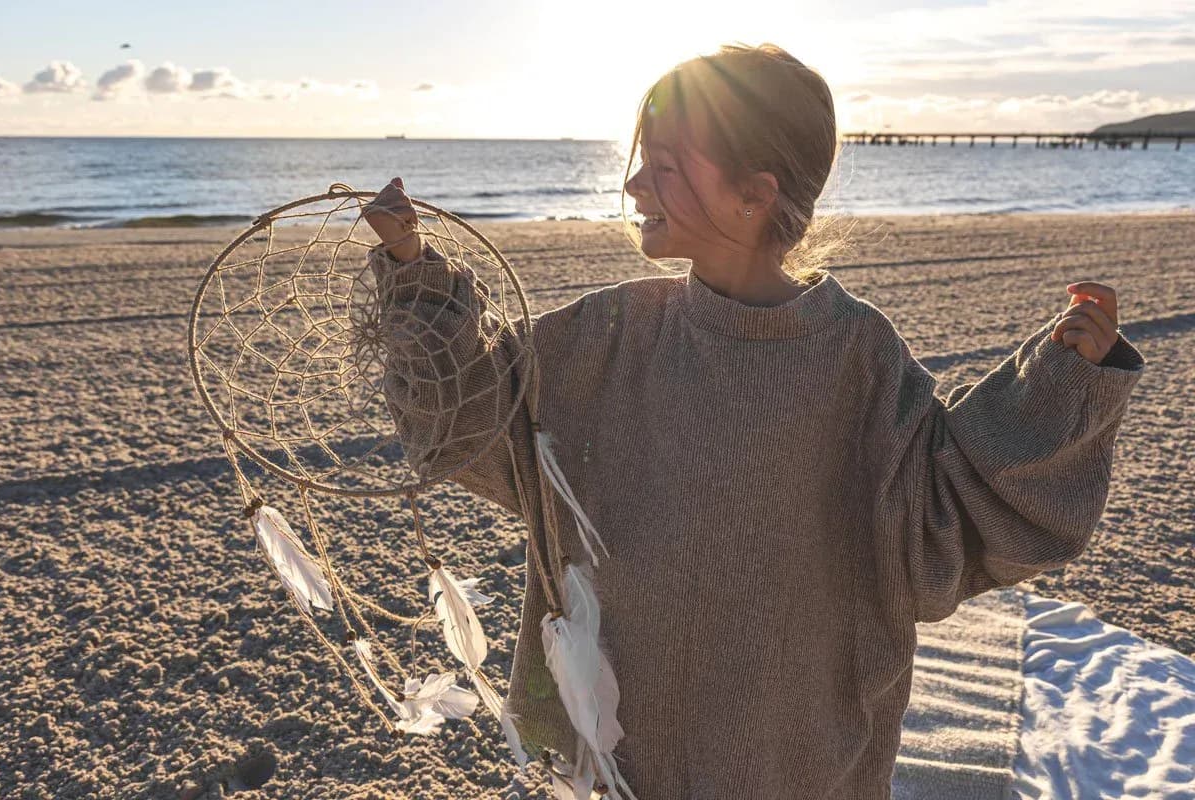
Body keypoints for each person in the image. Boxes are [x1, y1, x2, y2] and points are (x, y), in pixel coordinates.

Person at [359, 43, 1146, 800]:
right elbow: (476, 422)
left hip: (798, 750)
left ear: (754, 193)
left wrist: (1060, 382)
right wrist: (413, 273)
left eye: (663, 167)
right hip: (631, 737)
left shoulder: (855, 355)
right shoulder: (611, 334)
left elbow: (948, 512)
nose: (634, 185)